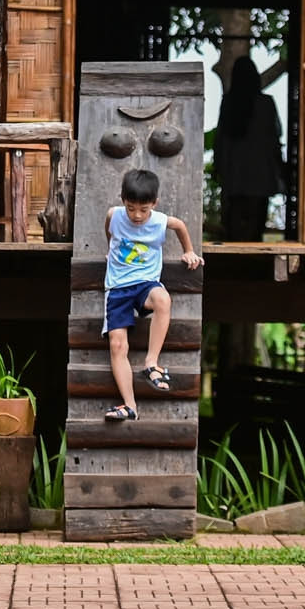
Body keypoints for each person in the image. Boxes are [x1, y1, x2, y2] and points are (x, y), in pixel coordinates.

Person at [102, 168, 202, 421]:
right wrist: (110, 248)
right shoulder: (114, 215)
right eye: (131, 208)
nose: (137, 215)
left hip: (146, 283)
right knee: (117, 345)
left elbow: (180, 226)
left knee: (163, 299)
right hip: (117, 288)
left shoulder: (160, 221)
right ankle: (130, 406)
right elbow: (109, 229)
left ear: (154, 204)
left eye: (143, 210)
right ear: (123, 200)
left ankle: (151, 362)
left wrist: (189, 251)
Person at [214, 55, 286, 242]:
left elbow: (220, 139)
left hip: (235, 173)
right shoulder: (266, 103)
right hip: (261, 173)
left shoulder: (228, 103)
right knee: (255, 226)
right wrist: (280, 169)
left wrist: (220, 168)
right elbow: (274, 138)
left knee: (234, 225)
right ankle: (255, 257)